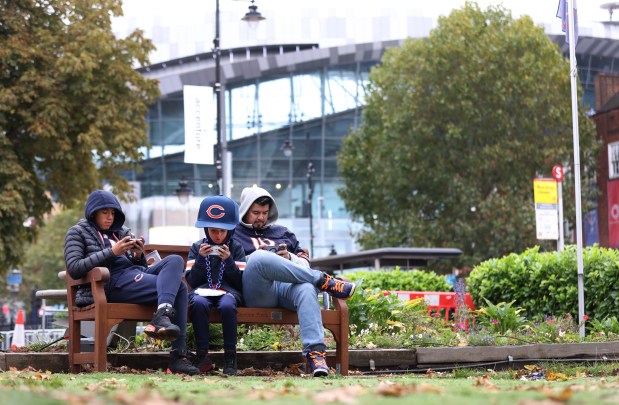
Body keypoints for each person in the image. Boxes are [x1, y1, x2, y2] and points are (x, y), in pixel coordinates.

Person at [63, 189, 199, 375]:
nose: (110, 217)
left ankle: (163, 314)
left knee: (175, 260)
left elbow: (137, 266)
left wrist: (137, 255)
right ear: (93, 212)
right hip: (110, 282)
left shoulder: (121, 232)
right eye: (105, 212)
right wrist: (112, 252)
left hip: (133, 274)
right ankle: (178, 356)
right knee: (181, 288)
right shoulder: (77, 232)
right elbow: (74, 267)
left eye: (113, 213)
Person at [234, 185, 356, 377]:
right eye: (256, 212)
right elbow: (234, 268)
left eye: (265, 213)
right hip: (257, 291)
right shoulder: (234, 233)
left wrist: (290, 259)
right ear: (245, 211)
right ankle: (324, 281)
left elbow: (304, 264)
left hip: (285, 290)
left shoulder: (283, 232)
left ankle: (316, 356)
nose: (261, 217)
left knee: (307, 288)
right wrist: (266, 259)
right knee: (258, 258)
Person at [186, 195, 245, 375]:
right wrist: (200, 260)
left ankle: (230, 355)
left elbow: (240, 282)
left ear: (230, 230)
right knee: (198, 303)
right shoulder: (197, 248)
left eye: (222, 231)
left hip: (229, 291)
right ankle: (202, 354)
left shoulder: (236, 248)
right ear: (206, 229)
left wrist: (229, 261)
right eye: (213, 231)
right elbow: (192, 281)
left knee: (227, 306)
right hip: (201, 291)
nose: (218, 235)